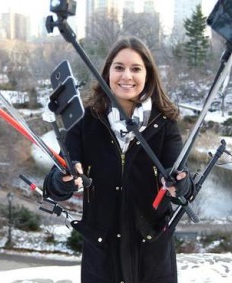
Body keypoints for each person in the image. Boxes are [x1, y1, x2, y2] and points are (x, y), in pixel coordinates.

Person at [43, 37, 194, 283]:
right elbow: (52, 187)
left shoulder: (165, 122)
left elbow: (184, 188)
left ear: (148, 74)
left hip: (152, 257)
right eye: (119, 67)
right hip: (101, 259)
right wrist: (64, 180)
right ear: (107, 72)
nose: (127, 76)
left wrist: (180, 185)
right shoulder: (85, 120)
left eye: (136, 69)